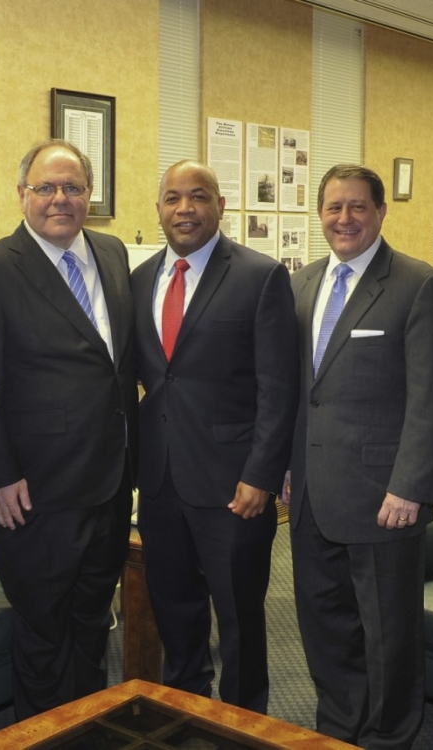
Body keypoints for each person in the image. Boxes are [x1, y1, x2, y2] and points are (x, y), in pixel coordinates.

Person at [286, 164, 433, 749]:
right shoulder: (302, 284)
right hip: (313, 493)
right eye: (334, 208)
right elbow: (298, 389)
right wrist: (285, 468)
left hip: (384, 497)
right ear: (320, 215)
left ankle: (387, 737)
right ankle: (338, 728)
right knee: (324, 623)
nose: (345, 219)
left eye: (358, 207)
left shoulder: (419, 286)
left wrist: (410, 485)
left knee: (388, 633)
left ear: (381, 212)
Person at [0, 139, 137, 720]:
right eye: (45, 188)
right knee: (43, 631)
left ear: (91, 195)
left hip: (110, 484)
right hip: (34, 492)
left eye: (73, 188)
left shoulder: (112, 254)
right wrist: (0, 471)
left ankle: (86, 730)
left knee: (92, 621)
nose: (60, 199)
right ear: (22, 195)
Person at [131, 160, 299, 713]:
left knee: (240, 622)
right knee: (175, 614)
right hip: (159, 484)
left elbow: (278, 387)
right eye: (173, 198)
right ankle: (186, 715)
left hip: (234, 487)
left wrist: (261, 475)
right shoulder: (139, 279)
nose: (185, 209)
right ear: (159, 209)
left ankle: (244, 726)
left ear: (220, 205)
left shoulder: (259, 275)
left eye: (198, 197)